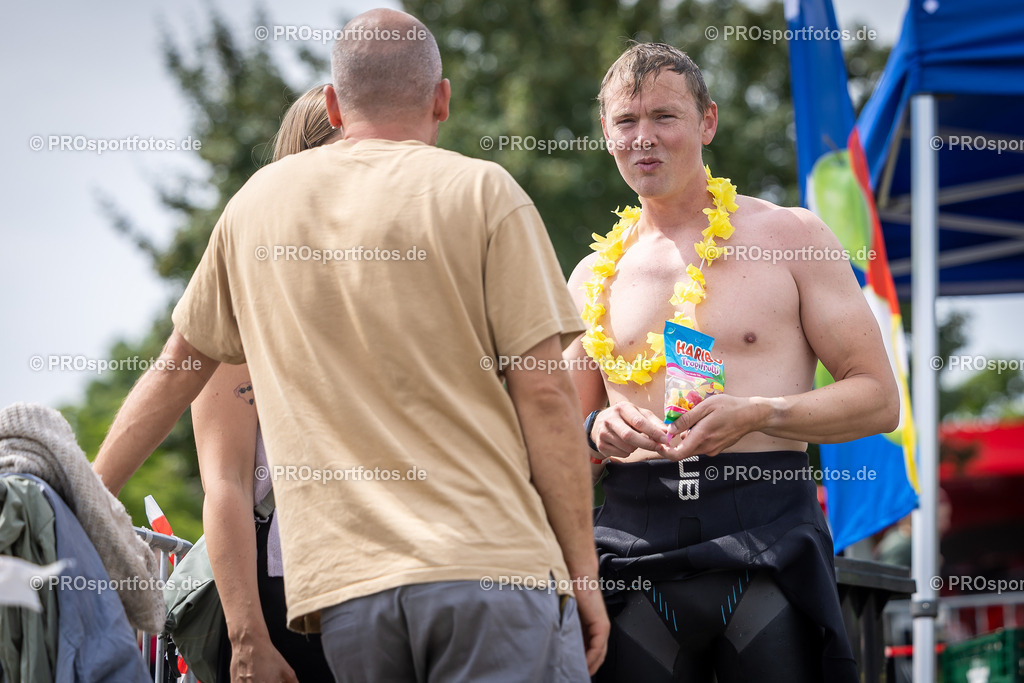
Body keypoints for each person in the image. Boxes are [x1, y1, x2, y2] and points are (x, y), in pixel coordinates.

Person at [93, 8, 608, 682]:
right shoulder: (484, 192)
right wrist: (583, 571)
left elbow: (173, 372)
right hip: (493, 571)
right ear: (442, 99)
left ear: (333, 104)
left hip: (348, 598)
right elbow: (546, 397)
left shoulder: (253, 207)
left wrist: (80, 497)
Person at [563, 43, 900, 683]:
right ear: (605, 133)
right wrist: (592, 434)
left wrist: (762, 412)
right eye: (626, 122)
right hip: (633, 540)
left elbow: (880, 400)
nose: (644, 139)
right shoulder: (590, 278)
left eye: (665, 117)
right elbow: (559, 450)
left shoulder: (792, 236)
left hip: (766, 531)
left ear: (708, 122)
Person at [192, 84, 338, 683]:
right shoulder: (239, 301)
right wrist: (247, 637)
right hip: (284, 597)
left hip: (399, 587)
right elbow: (225, 484)